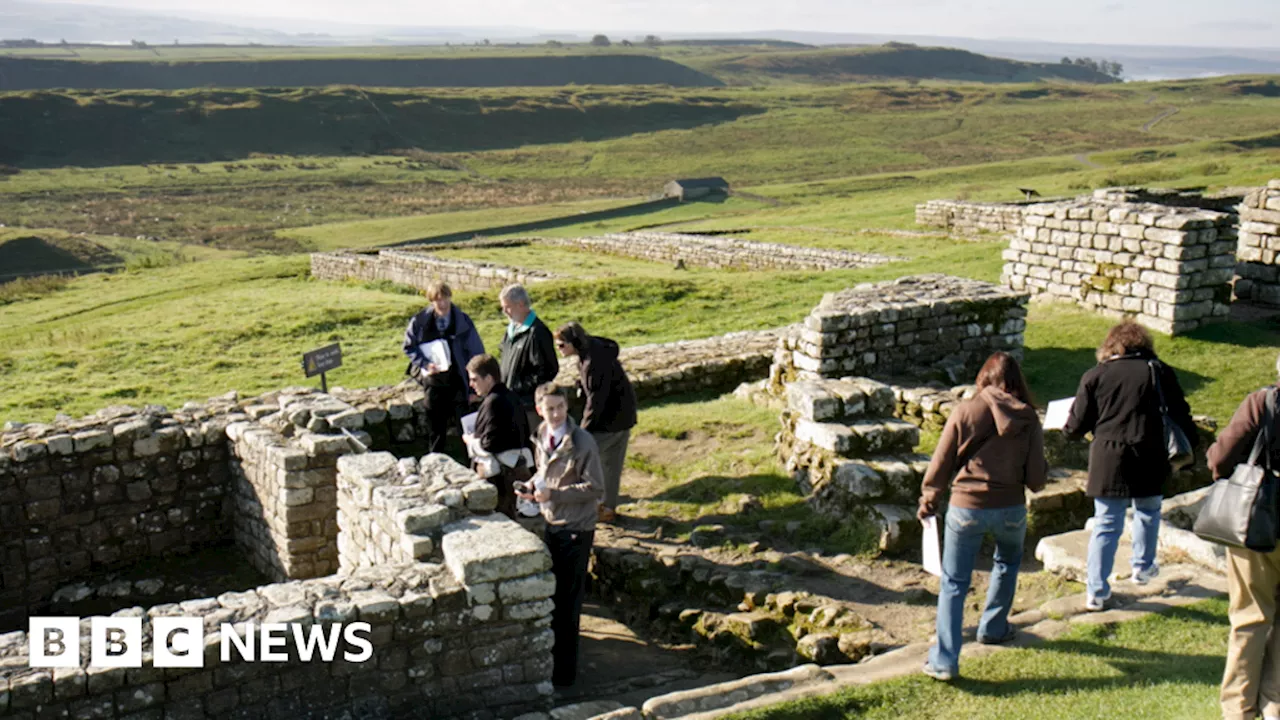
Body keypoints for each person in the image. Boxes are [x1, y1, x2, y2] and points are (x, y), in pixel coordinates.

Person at [917, 351, 1047, 682]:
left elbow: (941, 462)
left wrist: (929, 498)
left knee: (954, 583)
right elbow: (1036, 480)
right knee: (1007, 564)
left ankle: (945, 660)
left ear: (983, 379)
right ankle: (993, 627)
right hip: (1011, 508)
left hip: (967, 507)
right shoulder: (1029, 418)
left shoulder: (966, 411)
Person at [1063, 319, 1196, 612]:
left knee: (1106, 524)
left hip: (1108, 456)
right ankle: (1143, 567)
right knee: (1148, 512)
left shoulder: (1095, 376)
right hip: (1150, 452)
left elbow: (1073, 427)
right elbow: (1181, 414)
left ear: (1111, 346)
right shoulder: (1159, 372)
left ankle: (1096, 591)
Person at [1207, 353, 1280, 720]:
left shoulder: (1262, 402)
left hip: (1258, 522)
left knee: (1250, 618)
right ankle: (1275, 705)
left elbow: (1220, 458)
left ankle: (1239, 709)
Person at [518, 383, 604, 687]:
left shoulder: (583, 443)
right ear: (539, 408)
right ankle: (556, 667)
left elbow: (596, 489)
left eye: (560, 408)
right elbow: (545, 471)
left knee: (569, 604)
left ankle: (565, 676)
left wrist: (553, 493)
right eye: (549, 408)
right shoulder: (542, 434)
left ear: (567, 407)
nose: (555, 414)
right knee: (556, 598)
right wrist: (533, 486)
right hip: (552, 522)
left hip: (576, 528)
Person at [554, 321, 637, 523]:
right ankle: (606, 507)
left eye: (561, 345)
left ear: (573, 343)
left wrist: (584, 430)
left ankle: (575, 503)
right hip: (621, 415)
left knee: (581, 458)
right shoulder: (593, 352)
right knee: (610, 465)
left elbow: (596, 399)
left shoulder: (593, 362)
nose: (559, 350)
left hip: (611, 419)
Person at [402, 281, 485, 455]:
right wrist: (425, 364)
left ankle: (472, 463)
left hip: (458, 380)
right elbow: (409, 347)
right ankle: (435, 463)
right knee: (435, 429)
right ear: (431, 301)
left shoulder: (463, 320)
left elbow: (476, 353)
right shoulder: (419, 321)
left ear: (450, 297)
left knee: (466, 428)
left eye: (445, 298)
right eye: (437, 300)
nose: (442, 303)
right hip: (434, 383)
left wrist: (473, 388)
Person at [465, 354, 532, 519]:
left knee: (506, 517)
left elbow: (491, 443)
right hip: (518, 468)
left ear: (488, 378)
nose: (471, 384)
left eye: (475, 379)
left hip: (502, 476)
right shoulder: (510, 396)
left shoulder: (494, 402)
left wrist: (471, 441)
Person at [497, 283, 559, 436]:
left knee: (532, 448)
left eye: (508, 307)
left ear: (521, 305)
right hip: (511, 402)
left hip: (528, 406)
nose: (505, 311)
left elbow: (547, 370)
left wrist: (519, 387)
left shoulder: (537, 333)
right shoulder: (511, 330)